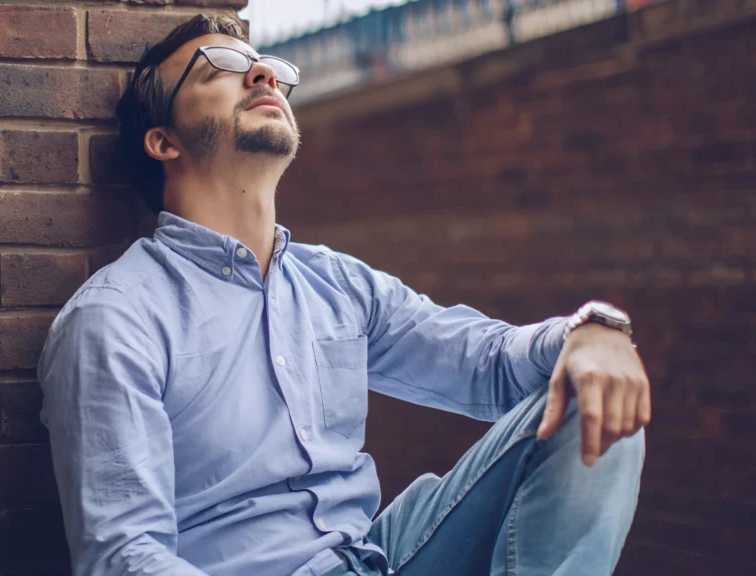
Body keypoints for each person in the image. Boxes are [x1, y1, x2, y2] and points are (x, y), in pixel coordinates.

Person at [38, 14, 650, 576]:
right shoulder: (115, 319)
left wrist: (594, 331)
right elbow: (125, 557)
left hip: (385, 554)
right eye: (218, 68)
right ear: (163, 142)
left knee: (593, 400)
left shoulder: (338, 285)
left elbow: (491, 365)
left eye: (269, 67)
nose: (262, 73)